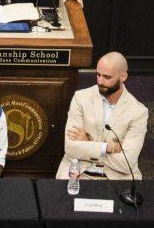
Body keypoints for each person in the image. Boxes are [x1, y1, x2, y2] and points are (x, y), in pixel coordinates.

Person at [56, 52, 147, 180]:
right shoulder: (81, 97)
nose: (100, 81)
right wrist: (108, 147)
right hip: (78, 172)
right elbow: (71, 149)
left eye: (107, 77)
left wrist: (88, 144)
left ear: (123, 77)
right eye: (98, 75)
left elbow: (127, 163)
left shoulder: (138, 112)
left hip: (116, 177)